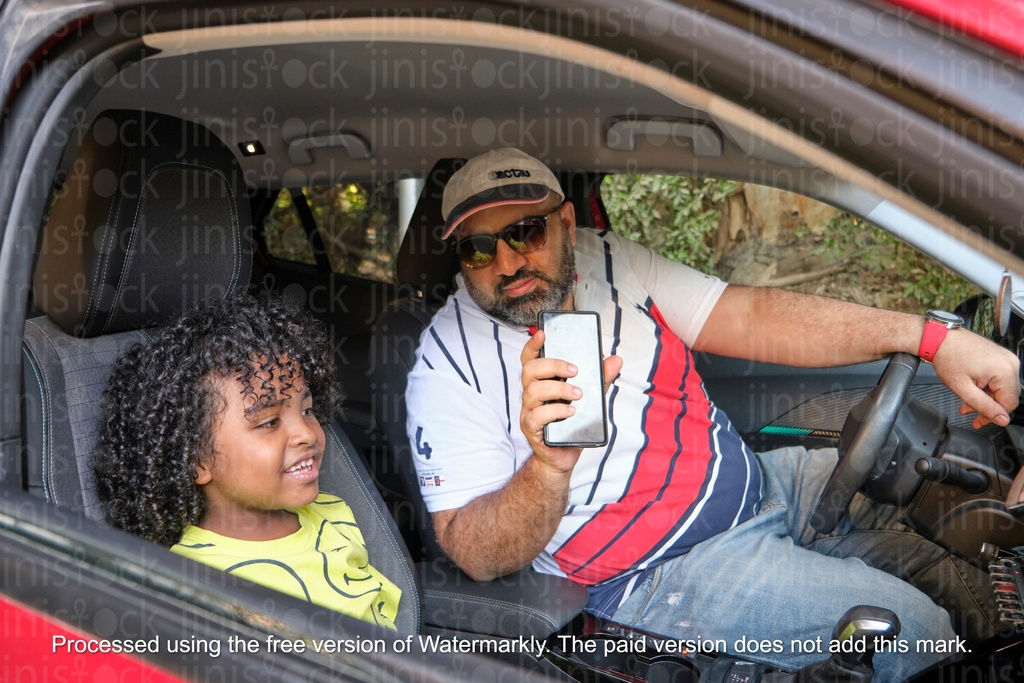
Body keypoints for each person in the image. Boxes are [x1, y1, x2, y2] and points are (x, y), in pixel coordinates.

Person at [405, 148, 1021, 680]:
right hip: (658, 571)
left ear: (567, 221)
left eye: (526, 232)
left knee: (947, 511)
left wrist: (929, 339)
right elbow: (474, 551)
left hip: (761, 483)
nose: (508, 263)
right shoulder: (447, 361)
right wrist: (547, 465)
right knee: (914, 632)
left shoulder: (611, 259)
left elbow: (752, 318)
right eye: (479, 249)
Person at [95, 293, 401, 630]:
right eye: (269, 422)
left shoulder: (334, 513)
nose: (307, 433)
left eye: (307, 409)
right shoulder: (197, 586)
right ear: (195, 460)